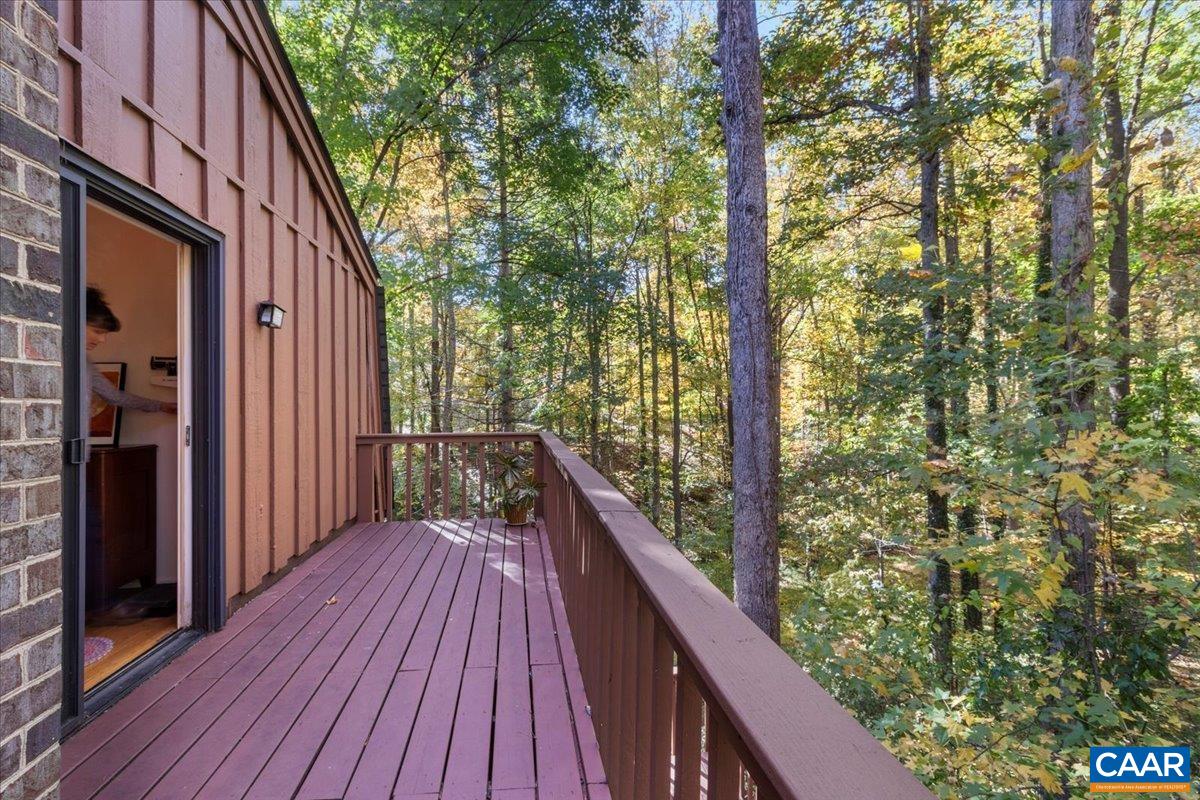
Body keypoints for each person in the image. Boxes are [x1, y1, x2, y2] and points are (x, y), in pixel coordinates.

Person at [86, 287, 177, 417]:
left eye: (105, 334)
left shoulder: (84, 363)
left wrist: (162, 406)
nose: (102, 340)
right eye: (98, 331)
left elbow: (113, 396)